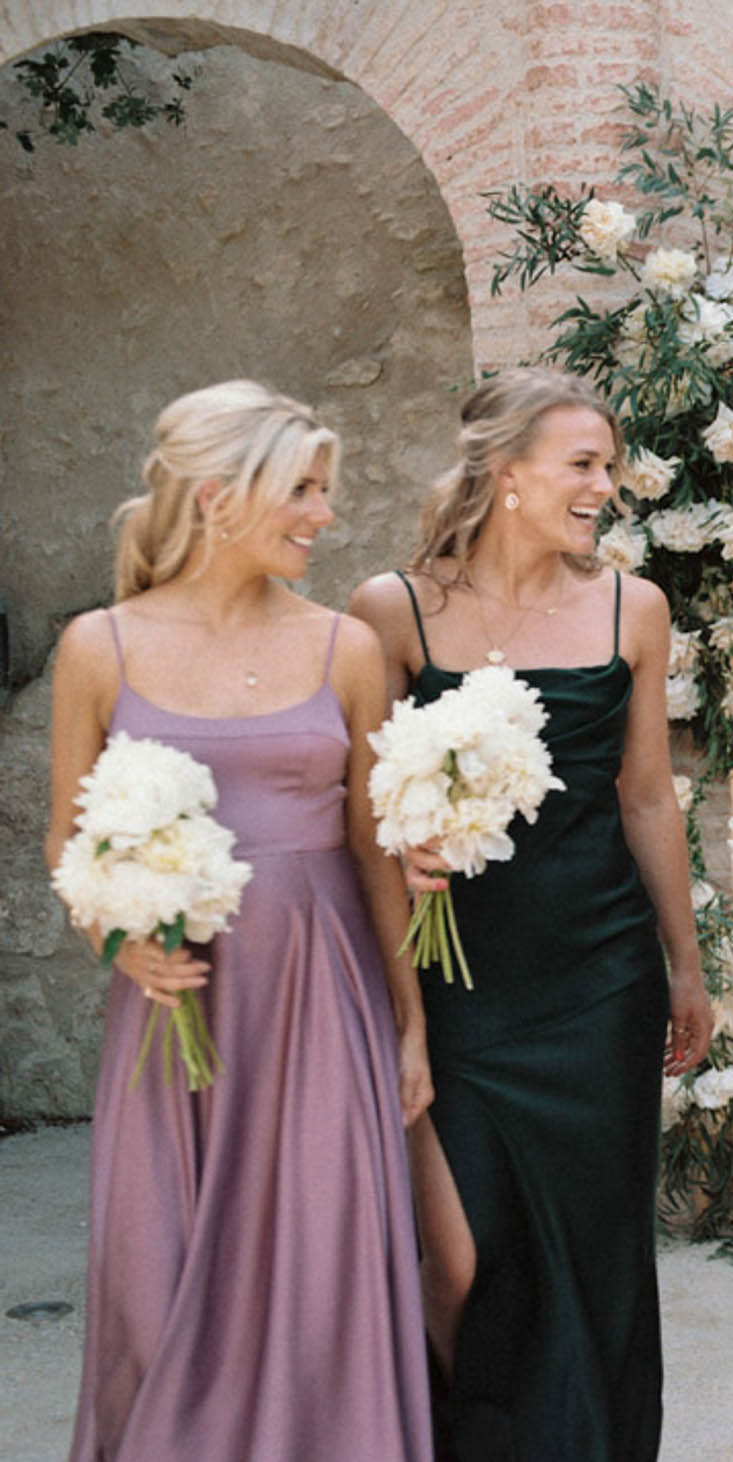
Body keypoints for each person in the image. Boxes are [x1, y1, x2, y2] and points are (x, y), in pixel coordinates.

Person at [46, 381, 431, 1459]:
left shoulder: (344, 648)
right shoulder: (99, 647)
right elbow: (66, 844)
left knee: (322, 1284)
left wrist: (405, 1026)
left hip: (321, 1005)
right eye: (302, 490)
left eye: (325, 489)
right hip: (177, 1018)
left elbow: (374, 848)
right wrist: (120, 941)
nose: (322, 514)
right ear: (219, 496)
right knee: (154, 1284)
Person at [349, 368, 712, 1460]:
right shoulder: (393, 608)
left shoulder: (629, 607)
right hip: (455, 978)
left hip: (598, 975)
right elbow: (362, 807)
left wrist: (683, 966)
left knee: (595, 1251)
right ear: (506, 474)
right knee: (458, 1252)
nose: (607, 485)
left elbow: (645, 795)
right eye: (584, 464)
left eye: (608, 464)